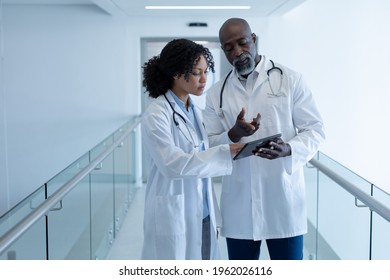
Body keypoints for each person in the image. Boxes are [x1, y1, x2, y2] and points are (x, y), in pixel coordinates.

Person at [203, 18, 326, 260]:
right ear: (223, 51)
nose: (238, 52)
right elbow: (208, 143)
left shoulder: (290, 80)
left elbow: (316, 129)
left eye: (242, 43)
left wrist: (289, 149)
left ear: (254, 39)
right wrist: (234, 134)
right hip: (240, 205)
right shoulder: (216, 93)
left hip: (283, 200)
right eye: (229, 47)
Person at [140, 38, 243, 260]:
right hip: (175, 210)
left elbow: (202, 149)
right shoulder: (157, 114)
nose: (204, 79)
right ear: (177, 73)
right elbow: (173, 165)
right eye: (197, 73)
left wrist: (233, 137)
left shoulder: (193, 109)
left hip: (203, 210)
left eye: (206, 71)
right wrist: (226, 152)